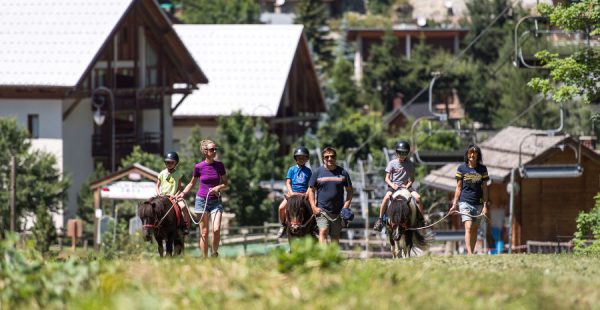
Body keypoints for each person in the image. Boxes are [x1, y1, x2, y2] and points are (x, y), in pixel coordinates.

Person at [177, 140, 228, 258]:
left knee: (216, 229)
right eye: (211, 149)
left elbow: (225, 183)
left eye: (215, 149)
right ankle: (204, 259)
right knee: (204, 232)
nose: (214, 151)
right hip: (201, 201)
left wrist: (218, 187)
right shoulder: (199, 167)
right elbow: (191, 183)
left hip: (216, 201)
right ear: (205, 151)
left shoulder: (220, 165)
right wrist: (183, 193)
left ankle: (214, 253)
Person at [449, 144, 490, 255]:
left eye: (474, 153)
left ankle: (471, 251)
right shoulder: (461, 168)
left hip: (478, 203)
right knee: (469, 226)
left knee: (475, 229)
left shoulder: (482, 169)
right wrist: (454, 204)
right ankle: (470, 253)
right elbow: (458, 187)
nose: (472, 155)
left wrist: (485, 206)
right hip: (465, 202)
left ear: (477, 155)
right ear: (467, 155)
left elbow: (485, 188)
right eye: (470, 153)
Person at [373, 141, 423, 232]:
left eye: (405, 153)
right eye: (400, 153)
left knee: (418, 197)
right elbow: (387, 178)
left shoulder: (410, 164)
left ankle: (421, 219)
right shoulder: (392, 163)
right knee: (386, 198)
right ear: (397, 153)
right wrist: (392, 185)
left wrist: (407, 186)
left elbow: (412, 179)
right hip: (394, 185)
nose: (402, 155)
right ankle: (380, 220)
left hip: (406, 186)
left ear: (407, 153)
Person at [307, 147, 353, 244]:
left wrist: (345, 208)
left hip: (338, 212)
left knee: (335, 236)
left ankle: (332, 257)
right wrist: (313, 207)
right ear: (323, 158)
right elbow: (311, 190)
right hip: (322, 210)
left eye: (332, 156)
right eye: (326, 157)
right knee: (323, 231)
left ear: (335, 157)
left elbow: (349, 191)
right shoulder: (317, 173)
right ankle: (324, 257)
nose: (329, 159)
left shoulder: (343, 173)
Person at [276, 146, 312, 238]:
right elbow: (288, 182)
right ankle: (283, 225)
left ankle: (314, 227)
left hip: (303, 195)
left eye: (303, 158)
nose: (301, 159)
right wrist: (291, 193)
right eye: (299, 158)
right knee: (281, 208)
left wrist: (307, 193)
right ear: (296, 159)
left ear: (307, 159)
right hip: (292, 194)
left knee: (314, 208)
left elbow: (310, 184)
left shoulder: (308, 171)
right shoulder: (291, 169)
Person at [156, 151, 190, 235]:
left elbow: (179, 187)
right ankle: (154, 226)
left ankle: (185, 225)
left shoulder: (178, 174)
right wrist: (158, 193)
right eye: (167, 162)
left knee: (183, 207)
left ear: (176, 163)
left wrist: (176, 195)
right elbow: (157, 185)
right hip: (163, 196)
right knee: (153, 208)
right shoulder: (162, 173)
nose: (169, 164)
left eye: (172, 162)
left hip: (175, 197)